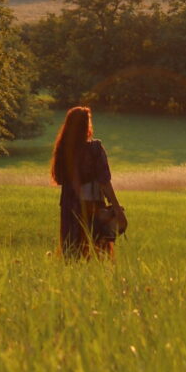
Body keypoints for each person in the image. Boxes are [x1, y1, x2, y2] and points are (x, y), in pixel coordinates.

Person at [50, 105, 127, 258]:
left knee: (72, 253)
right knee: (99, 252)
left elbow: (59, 178)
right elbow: (104, 182)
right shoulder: (95, 148)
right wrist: (117, 210)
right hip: (93, 205)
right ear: (86, 125)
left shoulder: (63, 151)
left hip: (69, 206)